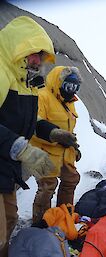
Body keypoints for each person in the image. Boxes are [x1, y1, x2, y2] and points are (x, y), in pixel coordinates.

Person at [0, 16, 58, 257]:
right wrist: (20, 148)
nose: (38, 60)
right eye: (33, 53)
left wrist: (53, 132)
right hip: (6, 159)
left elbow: (28, 123)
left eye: (41, 56)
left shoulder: (27, 83)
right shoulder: (2, 73)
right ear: (19, 47)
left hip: (5, 169)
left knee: (11, 219)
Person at [30, 66, 82, 223]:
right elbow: (33, 125)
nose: (71, 90)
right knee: (47, 187)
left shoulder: (69, 102)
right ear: (58, 82)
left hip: (65, 152)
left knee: (71, 179)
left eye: (75, 87)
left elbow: (69, 128)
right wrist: (55, 134)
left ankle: (63, 215)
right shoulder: (42, 96)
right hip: (44, 151)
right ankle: (41, 222)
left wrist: (75, 147)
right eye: (68, 85)